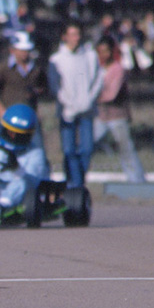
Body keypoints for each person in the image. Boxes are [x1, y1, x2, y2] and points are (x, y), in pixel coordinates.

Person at [48, 21, 104, 189]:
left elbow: (97, 80)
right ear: (64, 37)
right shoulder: (56, 59)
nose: (75, 38)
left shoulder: (89, 55)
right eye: (72, 34)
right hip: (67, 111)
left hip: (87, 110)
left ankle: (77, 185)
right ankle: (75, 186)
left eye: (78, 34)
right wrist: (68, 103)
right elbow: (55, 86)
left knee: (86, 149)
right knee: (69, 151)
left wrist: (88, 100)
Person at [94, 36, 146, 183]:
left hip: (117, 116)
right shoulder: (97, 69)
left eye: (106, 51)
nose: (103, 55)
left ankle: (137, 181)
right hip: (100, 116)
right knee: (86, 146)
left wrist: (91, 97)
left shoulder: (118, 69)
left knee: (125, 149)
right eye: (100, 52)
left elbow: (111, 94)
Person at [0, 30, 47, 147]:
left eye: (27, 50)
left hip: (30, 117)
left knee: (36, 150)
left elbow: (43, 87)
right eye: (22, 50)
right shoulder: (3, 68)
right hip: (10, 119)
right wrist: (1, 110)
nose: (25, 53)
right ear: (12, 50)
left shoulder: (36, 69)